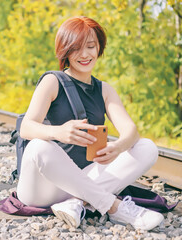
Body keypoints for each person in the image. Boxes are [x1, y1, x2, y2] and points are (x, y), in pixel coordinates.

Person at [16, 16, 164, 231]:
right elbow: (26, 128)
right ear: (65, 51)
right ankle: (114, 207)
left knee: (146, 147)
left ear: (99, 48)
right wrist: (60, 132)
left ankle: (76, 203)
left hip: (83, 182)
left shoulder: (104, 90)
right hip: (42, 188)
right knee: (39, 145)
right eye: (76, 48)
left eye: (91, 46)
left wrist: (118, 147)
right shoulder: (52, 81)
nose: (84, 55)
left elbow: (131, 131)